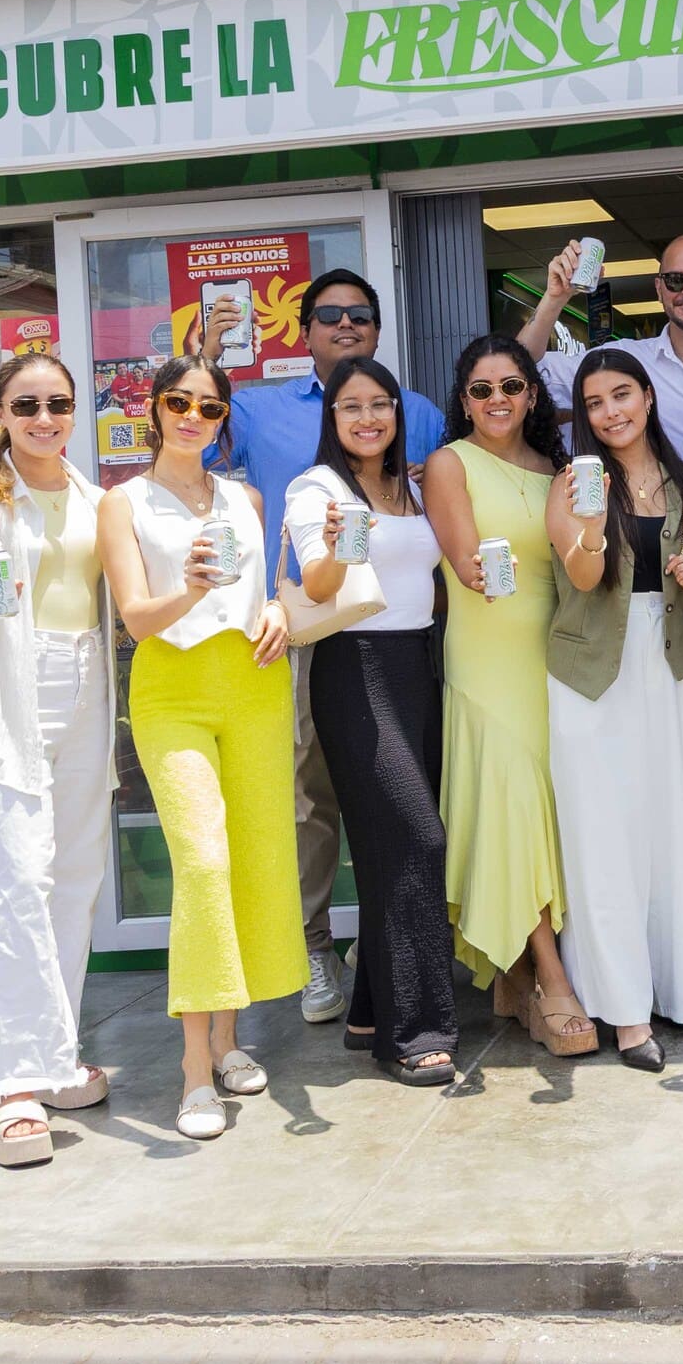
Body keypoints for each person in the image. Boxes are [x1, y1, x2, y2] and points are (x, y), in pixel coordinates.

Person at [197, 269, 444, 1028]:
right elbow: (193, 442)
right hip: (318, 636)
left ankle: (378, 963)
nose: (345, 324)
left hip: (413, 650)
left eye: (359, 314)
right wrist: (207, 357)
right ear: (303, 331)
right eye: (329, 314)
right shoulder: (263, 409)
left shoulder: (417, 418)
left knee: (400, 810)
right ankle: (313, 948)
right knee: (313, 799)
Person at [97, 357, 306, 1140]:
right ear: (154, 408)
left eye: (210, 407)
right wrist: (187, 586)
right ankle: (192, 1069)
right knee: (203, 862)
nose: (193, 417)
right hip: (173, 691)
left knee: (249, 861)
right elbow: (135, 617)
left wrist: (279, 609)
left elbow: (267, 589)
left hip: (252, 685)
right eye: (179, 402)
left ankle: (226, 1039)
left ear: (223, 419)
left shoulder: (246, 498)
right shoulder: (123, 502)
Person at [0, 355, 115, 1169]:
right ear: (0, 411)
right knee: (18, 881)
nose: (45, 417)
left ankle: (55, 1058)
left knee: (76, 876)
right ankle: (13, 1085)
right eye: (27, 404)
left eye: (59, 403)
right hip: (18, 684)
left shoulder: (95, 497)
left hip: (87, 682)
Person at [421, 337, 595, 1056]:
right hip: (487, 661)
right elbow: (465, 559)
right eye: (482, 389)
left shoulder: (559, 467)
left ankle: (515, 977)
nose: (498, 400)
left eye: (512, 386)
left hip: (556, 660)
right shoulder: (449, 463)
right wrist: (479, 570)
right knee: (516, 806)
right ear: (464, 401)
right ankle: (552, 982)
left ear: (532, 395)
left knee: (552, 812)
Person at [546, 349, 683, 1067]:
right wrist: (591, 523)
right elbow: (585, 577)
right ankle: (624, 1014)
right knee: (604, 837)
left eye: (621, 395)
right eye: (594, 402)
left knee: (673, 830)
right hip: (593, 675)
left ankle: (679, 992)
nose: (610, 411)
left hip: (672, 666)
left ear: (648, 398)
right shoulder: (572, 484)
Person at [288, 358, 454, 1086]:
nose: (367, 417)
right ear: (332, 417)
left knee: (394, 846)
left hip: (420, 666)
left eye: (380, 404)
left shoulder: (409, 486)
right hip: (354, 669)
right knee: (417, 838)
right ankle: (414, 1031)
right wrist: (337, 542)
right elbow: (317, 583)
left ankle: (366, 1011)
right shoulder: (316, 488)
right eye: (351, 406)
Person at [522, 233, 683, 459]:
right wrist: (555, 297)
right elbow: (519, 367)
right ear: (659, 288)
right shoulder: (620, 361)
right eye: (675, 280)